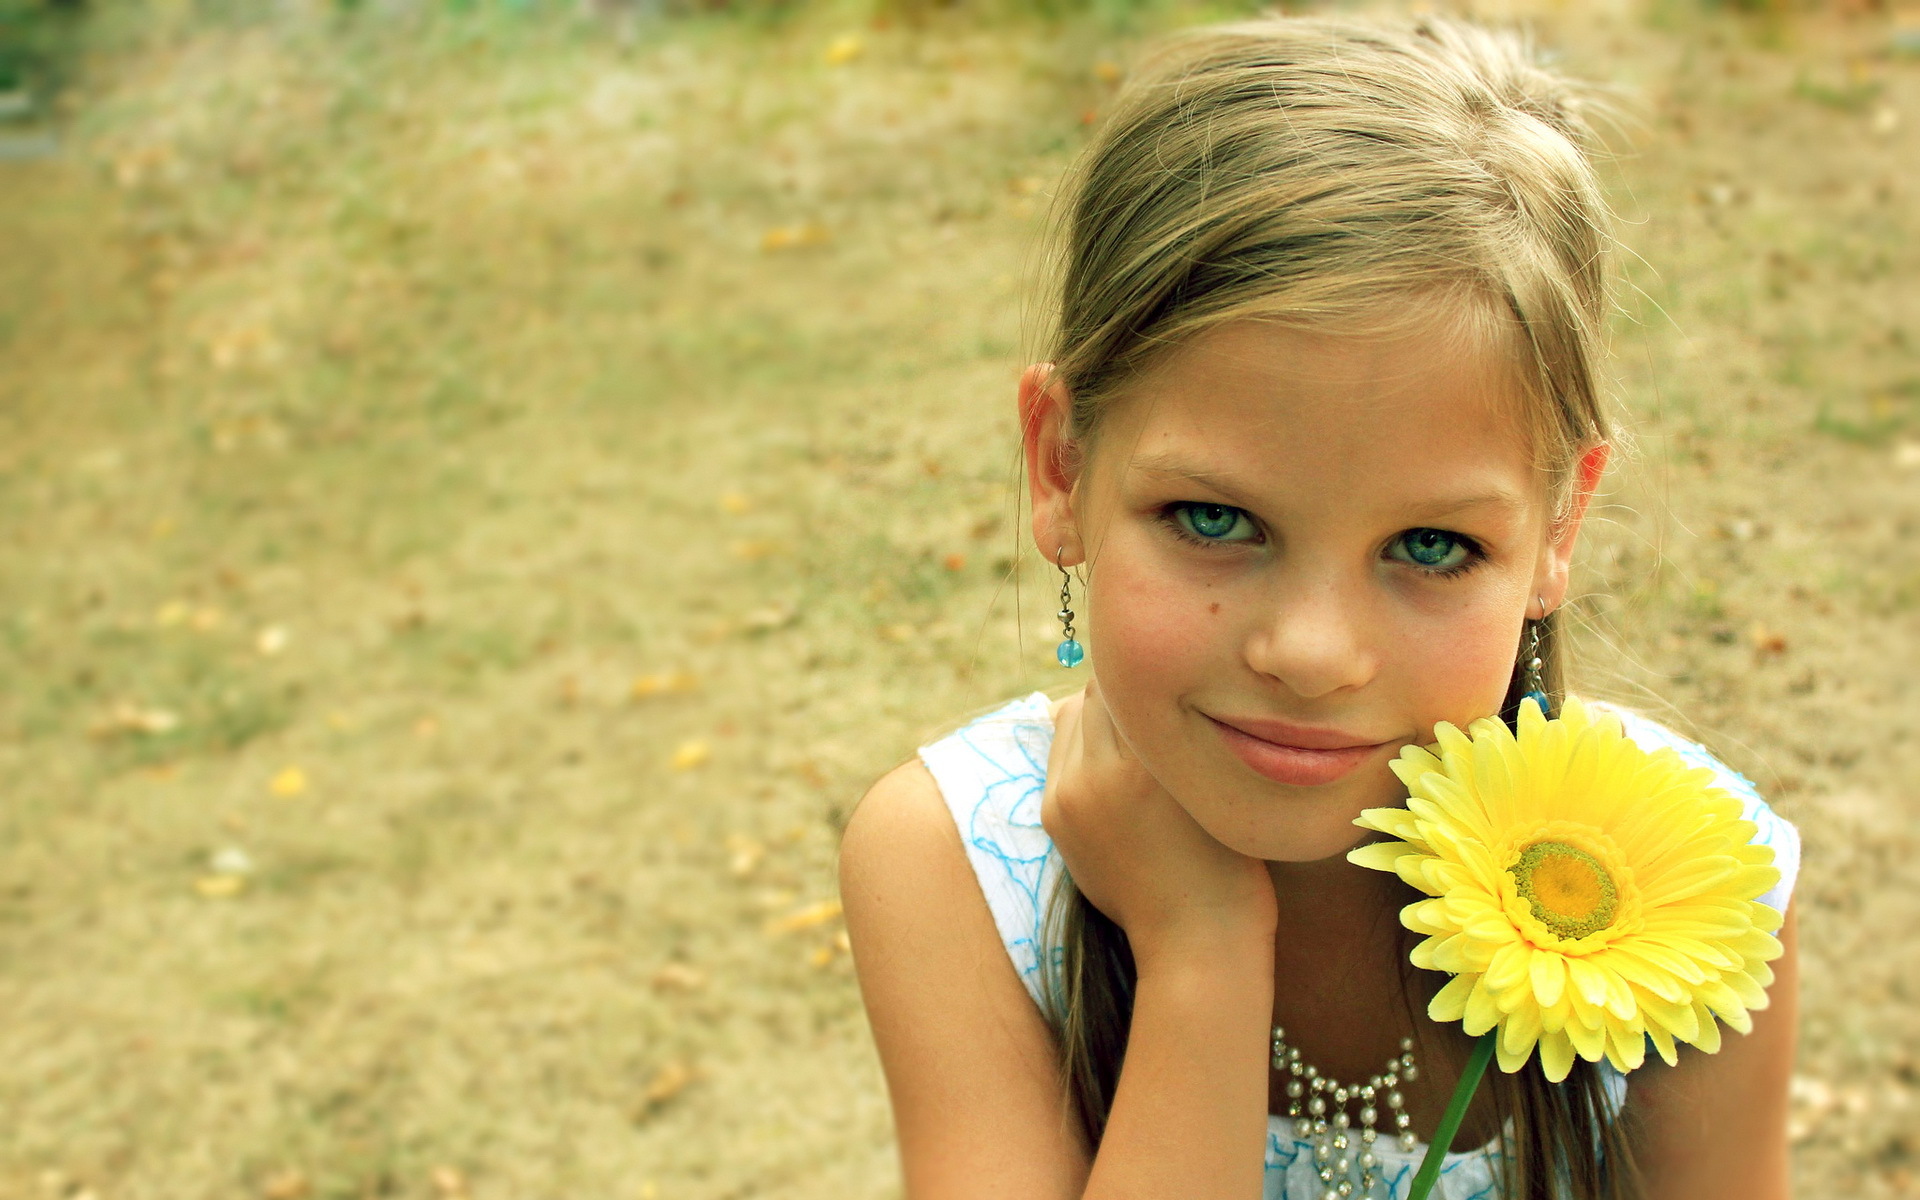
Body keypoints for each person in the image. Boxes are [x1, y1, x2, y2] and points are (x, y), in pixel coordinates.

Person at [838, 16, 1800, 1200]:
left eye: (1431, 545)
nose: (1310, 652)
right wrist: (1201, 954)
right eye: (1212, 519)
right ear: (1062, 469)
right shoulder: (957, 862)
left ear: (1557, 531)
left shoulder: (1688, 892)